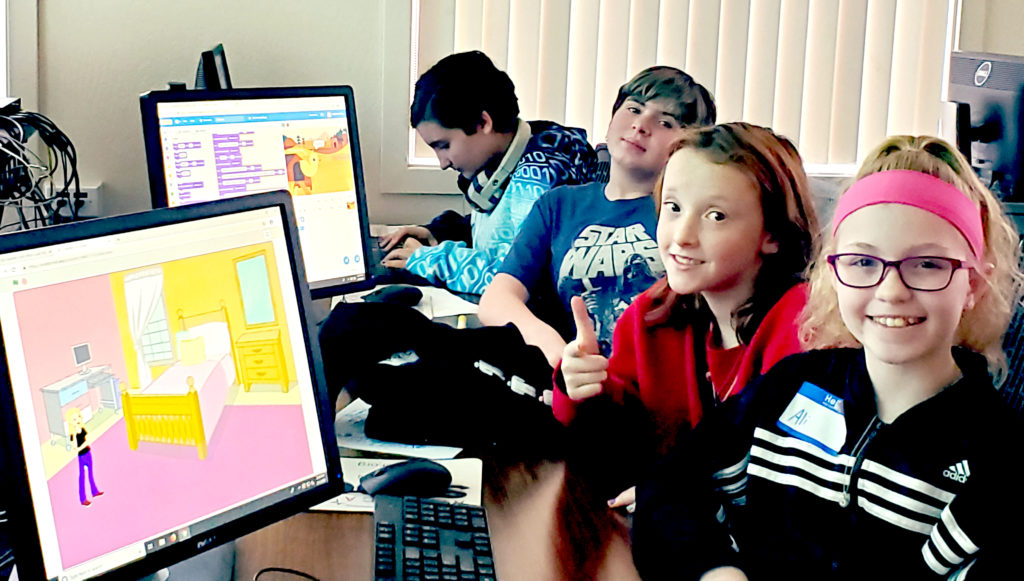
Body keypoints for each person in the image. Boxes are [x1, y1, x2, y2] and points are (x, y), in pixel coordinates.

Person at [631, 135, 1024, 580]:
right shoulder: (791, 387)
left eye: (928, 265)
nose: (891, 291)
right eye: (862, 262)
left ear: (973, 284)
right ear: (833, 273)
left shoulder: (1000, 460)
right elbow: (673, 484)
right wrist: (716, 570)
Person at [556, 122, 821, 504]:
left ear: (773, 235)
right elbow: (610, 450)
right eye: (674, 208)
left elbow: (782, 483)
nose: (682, 235)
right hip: (663, 535)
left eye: (715, 216)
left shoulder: (803, 327)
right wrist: (582, 388)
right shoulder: (651, 316)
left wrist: (670, 492)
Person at [478, 66, 716, 368]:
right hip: (569, 381)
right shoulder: (559, 204)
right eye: (633, 109)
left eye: (665, 122)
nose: (641, 126)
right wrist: (556, 351)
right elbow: (498, 298)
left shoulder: (689, 216)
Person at [379, 51, 597, 295]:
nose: (443, 163)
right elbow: (503, 230)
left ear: (483, 123)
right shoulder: (522, 148)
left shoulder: (542, 178)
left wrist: (431, 261)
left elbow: (518, 279)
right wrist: (438, 234)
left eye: (444, 146)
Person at [67, 407, 104, 506]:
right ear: (70, 422)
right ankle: (83, 499)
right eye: (74, 419)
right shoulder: (73, 434)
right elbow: (74, 446)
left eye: (78, 417)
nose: (77, 420)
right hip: (81, 456)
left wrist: (81, 447)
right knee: (82, 476)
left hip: (88, 453)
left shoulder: (82, 429)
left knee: (90, 473)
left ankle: (94, 491)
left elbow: (87, 441)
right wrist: (74, 435)